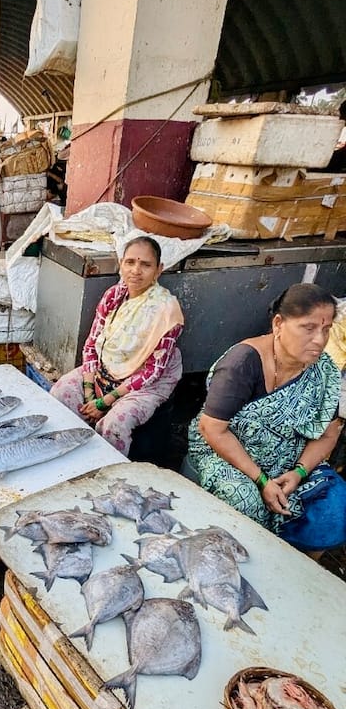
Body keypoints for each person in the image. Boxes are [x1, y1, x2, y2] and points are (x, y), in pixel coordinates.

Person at [188, 284, 346, 554]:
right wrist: (262, 480)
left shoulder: (325, 373)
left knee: (335, 506)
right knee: (241, 500)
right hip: (226, 453)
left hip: (289, 461)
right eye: (308, 328)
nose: (320, 340)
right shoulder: (243, 362)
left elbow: (329, 434)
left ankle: (299, 567)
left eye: (326, 329)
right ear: (278, 324)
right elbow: (212, 429)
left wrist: (298, 472)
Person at [50, 236, 184, 455]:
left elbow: (153, 371)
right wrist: (89, 391)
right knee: (61, 393)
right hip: (105, 371)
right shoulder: (114, 296)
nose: (136, 270)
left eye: (145, 265)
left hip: (146, 382)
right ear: (121, 264)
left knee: (114, 424)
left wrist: (105, 402)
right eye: (130, 262)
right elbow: (92, 344)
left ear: (158, 270)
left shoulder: (166, 311)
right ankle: (69, 458)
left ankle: (109, 468)